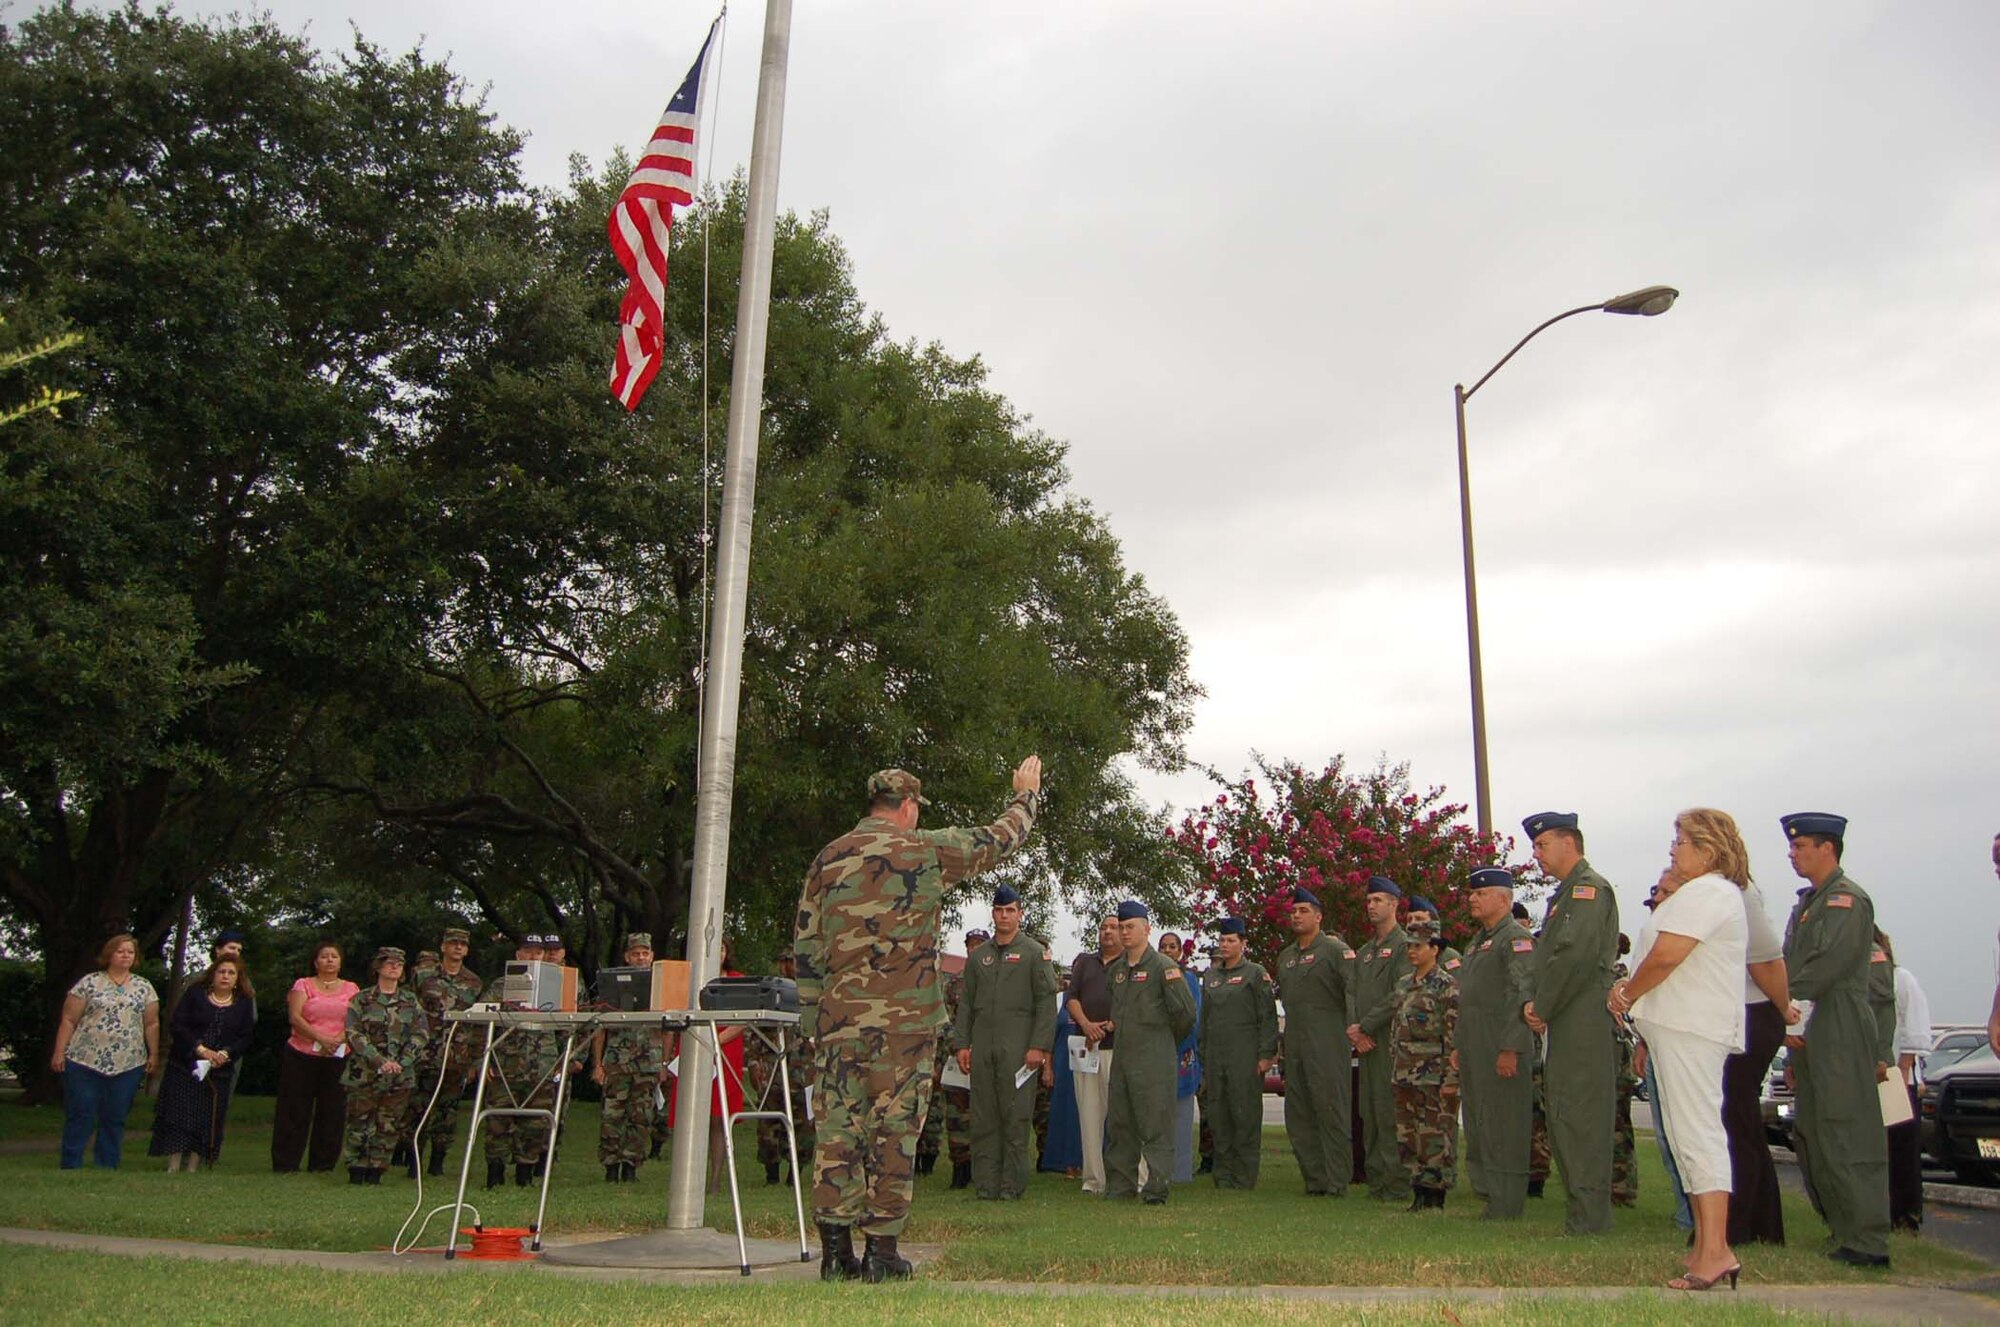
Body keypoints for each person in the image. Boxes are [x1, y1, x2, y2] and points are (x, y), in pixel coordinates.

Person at [794, 758, 1042, 1283]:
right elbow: (998, 839)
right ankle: (882, 1252)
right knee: (895, 1132)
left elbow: (808, 949)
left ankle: (836, 1253)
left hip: (840, 1025)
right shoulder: (924, 850)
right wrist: (1025, 796)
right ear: (908, 807)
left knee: (838, 1132)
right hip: (905, 1029)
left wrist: (815, 1022)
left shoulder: (828, 858)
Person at [1610, 807, 1750, 1292]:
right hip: (1673, 1025)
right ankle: (1705, 1243)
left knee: (1698, 1134)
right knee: (1687, 1137)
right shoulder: (1695, 894)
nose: (1674, 850)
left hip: (1693, 1026)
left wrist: (1627, 993)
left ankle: (1717, 1248)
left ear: (1708, 850)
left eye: (1682, 841)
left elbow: (1669, 955)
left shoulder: (1711, 892)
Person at [1780, 811, 1892, 1268]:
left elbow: (1826, 966)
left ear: (1828, 848)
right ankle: (1843, 1228)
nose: (1793, 853)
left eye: (1801, 845)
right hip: (1811, 1021)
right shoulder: (1809, 903)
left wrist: (1789, 1011)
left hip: (1838, 1020)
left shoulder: (1846, 900)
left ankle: (1867, 1239)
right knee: (1818, 1130)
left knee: (1848, 1130)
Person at [1519, 811, 1619, 1235]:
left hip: (1581, 1015)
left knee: (1580, 1116)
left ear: (1568, 842)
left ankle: (1590, 1219)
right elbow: (1549, 957)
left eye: (1542, 845)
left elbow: (1573, 956)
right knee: (1566, 1115)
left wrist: (1541, 1005)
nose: (1537, 854)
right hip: (1566, 1013)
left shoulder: (1587, 890)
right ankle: (1581, 1215)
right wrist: (1533, 1001)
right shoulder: (1564, 895)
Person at [955, 885, 1060, 1200]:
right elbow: (967, 1004)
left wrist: (1039, 1046)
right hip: (983, 1046)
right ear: (993, 913)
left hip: (1018, 1047)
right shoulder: (979, 957)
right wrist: (962, 1044)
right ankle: (986, 1185)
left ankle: (1012, 1185)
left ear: (1020, 913)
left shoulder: (1033, 953)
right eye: (999, 911)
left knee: (1015, 1117)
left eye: (1010, 910)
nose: (1004, 916)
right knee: (984, 1116)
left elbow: (1046, 1003)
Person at [1712, 866, 1790, 1247]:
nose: (1676, 851)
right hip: (1732, 1013)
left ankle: (1738, 1224)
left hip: (1752, 1012)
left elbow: (1766, 961)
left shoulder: (1738, 892)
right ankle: (1762, 1224)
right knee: (1740, 1123)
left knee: (1735, 1121)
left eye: (1684, 843)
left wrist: (1786, 1010)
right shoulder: (1715, 892)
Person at [1101, 900, 1197, 1203]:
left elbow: (1185, 1014)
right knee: (1120, 1123)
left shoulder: (1164, 968)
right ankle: (1120, 1187)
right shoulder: (1116, 971)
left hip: (1154, 1058)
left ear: (1146, 929)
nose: (1124, 933)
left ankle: (1156, 1188)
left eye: (1130, 927)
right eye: (1120, 927)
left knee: (1156, 1124)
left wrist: (1164, 1042)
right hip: (1123, 1057)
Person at [1456, 866, 1536, 1219]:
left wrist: (1511, 1047)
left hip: (1500, 1041)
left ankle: (1506, 1201)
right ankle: (1489, 1192)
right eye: (1471, 893)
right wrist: (1460, 1045)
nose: (1472, 898)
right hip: (1476, 1043)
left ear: (1504, 899)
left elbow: (1523, 993)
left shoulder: (1515, 939)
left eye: (1480, 893)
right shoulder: (1478, 942)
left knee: (1505, 1122)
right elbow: (1468, 999)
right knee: (1479, 1120)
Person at [1275, 885, 1358, 1196]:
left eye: (1303, 911)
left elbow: (1352, 990)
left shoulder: (1336, 951)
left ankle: (1337, 1181)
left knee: (1331, 1112)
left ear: (1319, 917)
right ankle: (1314, 1179)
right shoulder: (1286, 957)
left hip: (1327, 1043)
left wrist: (1354, 1027)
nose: (1296, 915)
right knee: (1299, 1115)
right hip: (1295, 1045)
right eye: (1293, 911)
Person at [51, 934, 160, 1170]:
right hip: (85, 1059)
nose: (125, 956)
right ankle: (71, 1164)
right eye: (120, 951)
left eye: (130, 952)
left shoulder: (144, 987)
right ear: (109, 954)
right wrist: (60, 1052)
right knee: (82, 1113)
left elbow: (151, 1023)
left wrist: (153, 1054)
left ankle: (107, 1165)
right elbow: (69, 1019)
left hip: (128, 1062)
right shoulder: (89, 983)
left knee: (115, 1116)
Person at [149, 955, 255, 1170]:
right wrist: (200, 1050)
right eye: (221, 972)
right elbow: (178, 1025)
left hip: (219, 1070)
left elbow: (246, 1036)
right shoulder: (195, 995)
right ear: (213, 974)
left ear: (238, 978)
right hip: (185, 1064)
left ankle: (194, 1166)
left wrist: (225, 1054)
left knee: (206, 1116)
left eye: (231, 973)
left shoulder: (244, 1003)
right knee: (180, 1114)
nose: (225, 976)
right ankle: (173, 1164)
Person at [1197, 916, 1278, 1188]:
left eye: (1231, 941)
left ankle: (1244, 1176)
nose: (1226, 945)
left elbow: (1267, 1016)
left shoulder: (1255, 973)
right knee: (1218, 1116)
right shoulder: (1211, 976)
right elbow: (1205, 1019)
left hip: (1244, 1054)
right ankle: (1223, 1174)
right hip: (1216, 1056)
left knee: (1244, 1115)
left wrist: (1267, 1054)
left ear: (1243, 943)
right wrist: (1203, 1055)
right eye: (1222, 940)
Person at [1349, 876, 1413, 1203]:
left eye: (1378, 900)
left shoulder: (1405, 946)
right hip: (1366, 1043)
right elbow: (1352, 993)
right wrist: (1354, 1028)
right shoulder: (1364, 952)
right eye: (1369, 900)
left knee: (1391, 1113)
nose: (1371, 906)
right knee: (1369, 1111)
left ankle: (1397, 1183)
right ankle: (1377, 1181)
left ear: (1394, 904)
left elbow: (1399, 992)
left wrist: (1367, 1027)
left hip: (1390, 1040)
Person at [342, 947, 428, 1184]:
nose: (394, 967)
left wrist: (402, 1061)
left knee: (388, 1124)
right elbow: (353, 1033)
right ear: (378, 967)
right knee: (360, 1121)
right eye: (389, 963)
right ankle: (357, 1169)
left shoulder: (410, 1001)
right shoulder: (361, 999)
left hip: (400, 1074)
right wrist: (379, 1060)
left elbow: (421, 1034)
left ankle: (377, 1169)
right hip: (366, 1072)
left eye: (399, 964)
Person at [482, 934, 561, 1188]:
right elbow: (481, 1021)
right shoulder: (501, 985)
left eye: (538, 952)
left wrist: (563, 1059)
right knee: (498, 1122)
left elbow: (570, 1025)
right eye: (528, 951)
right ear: (518, 955)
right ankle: (495, 1174)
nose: (533, 956)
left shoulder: (557, 986)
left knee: (535, 1124)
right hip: (506, 1064)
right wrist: (485, 1060)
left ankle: (525, 1175)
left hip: (542, 1064)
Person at [1392, 918, 1459, 1211]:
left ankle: (1435, 1192)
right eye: (1409, 947)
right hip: (1404, 1071)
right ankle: (1417, 1187)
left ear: (1434, 948)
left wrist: (1451, 1076)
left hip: (1433, 1073)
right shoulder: (1404, 984)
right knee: (1408, 1133)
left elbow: (1453, 1034)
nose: (1412, 952)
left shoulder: (1446, 986)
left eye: (1418, 946)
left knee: (1434, 1133)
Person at [273, 942, 357, 1173]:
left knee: (332, 1111)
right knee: (294, 1109)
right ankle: (286, 1163)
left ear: (340, 962)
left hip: (338, 1054)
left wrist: (336, 1040)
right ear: (315, 961)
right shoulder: (303, 984)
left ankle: (323, 1164)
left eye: (334, 956)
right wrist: (320, 1038)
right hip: (302, 1053)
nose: (329, 960)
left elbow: (355, 1020)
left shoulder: (351, 988)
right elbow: (295, 1017)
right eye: (324, 956)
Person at [406, 925, 483, 1178]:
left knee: (448, 1110)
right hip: (426, 1051)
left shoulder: (473, 982)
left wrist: (474, 1060)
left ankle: (438, 1159)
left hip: (456, 1055)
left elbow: (476, 1024)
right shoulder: (423, 974)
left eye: (462, 944)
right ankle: (413, 1157)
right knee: (419, 1106)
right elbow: (410, 1009)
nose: (458, 948)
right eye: (453, 943)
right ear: (443, 947)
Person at [594, 932, 669, 1182]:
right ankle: (610, 1166)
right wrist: (598, 1064)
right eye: (635, 953)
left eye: (645, 953)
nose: (640, 957)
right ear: (627, 956)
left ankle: (631, 1166)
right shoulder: (612, 984)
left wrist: (664, 1063)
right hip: (617, 1061)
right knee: (612, 1115)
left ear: (652, 956)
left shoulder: (662, 986)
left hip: (648, 1061)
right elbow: (599, 1027)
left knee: (641, 1117)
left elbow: (669, 1029)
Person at [1066, 915, 1123, 1195]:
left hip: (1118, 1051)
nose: (1107, 932)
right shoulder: (1084, 963)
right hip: (1087, 1049)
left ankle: (1128, 1178)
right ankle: (1093, 1181)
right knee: (1089, 1117)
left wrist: (1113, 1023)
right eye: (1103, 928)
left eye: (1113, 927)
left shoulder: (1129, 964)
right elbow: (1071, 998)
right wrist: (1087, 1025)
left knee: (1123, 1118)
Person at [751, 950, 815, 1186]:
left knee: (804, 1126)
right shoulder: (770, 991)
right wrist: (753, 1063)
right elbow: (755, 1029)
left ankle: (794, 1176)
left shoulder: (816, 991)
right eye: (786, 961)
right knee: (768, 1124)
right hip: (773, 1067)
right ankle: (771, 1176)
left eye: (794, 961)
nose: (790, 966)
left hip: (805, 1068)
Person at [1877, 930, 1926, 1232]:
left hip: (1898, 1078)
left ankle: (1907, 1214)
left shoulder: (1901, 979)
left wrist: (1904, 1070)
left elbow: (1914, 1027)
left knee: (1902, 1151)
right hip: (1872, 1076)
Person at [929, 925, 985, 1188]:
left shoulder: (995, 981)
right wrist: (958, 1047)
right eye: (971, 944)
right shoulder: (953, 985)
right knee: (957, 1116)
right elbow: (944, 1022)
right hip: (956, 1058)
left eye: (979, 944)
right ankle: (960, 1168)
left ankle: (983, 1168)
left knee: (985, 1115)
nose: (974, 949)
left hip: (987, 1056)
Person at [1157, 931, 1202, 1183]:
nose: (1168, 951)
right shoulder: (1153, 976)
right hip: (1156, 1052)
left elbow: (1191, 1016)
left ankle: (1180, 1174)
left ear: (1180, 951)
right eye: (1163, 946)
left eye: (1172, 946)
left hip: (1182, 1052)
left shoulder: (1190, 979)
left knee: (1181, 1117)